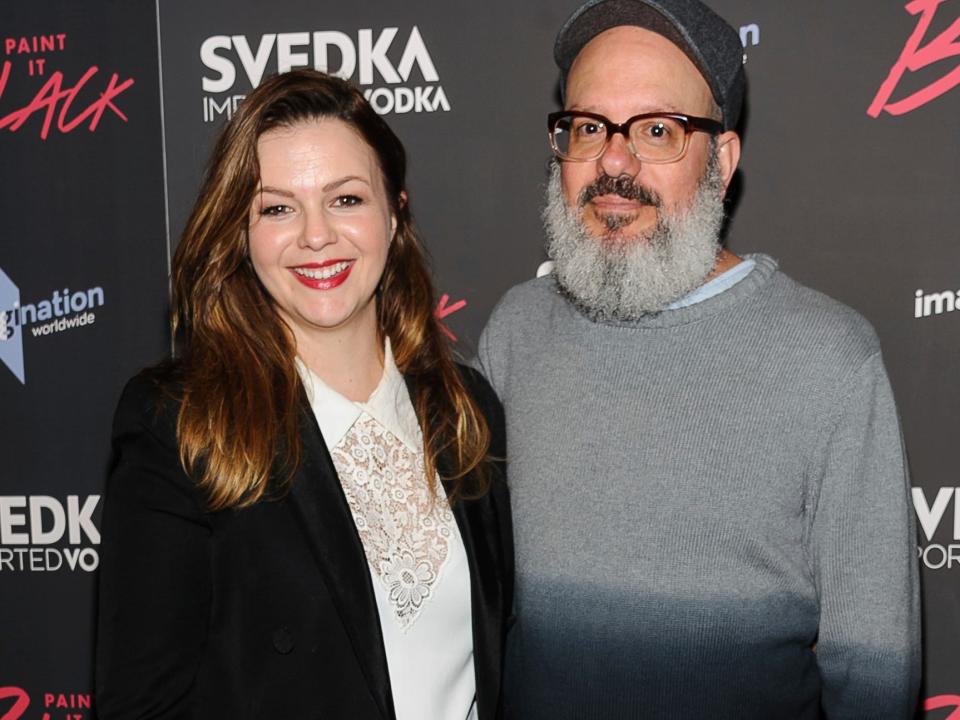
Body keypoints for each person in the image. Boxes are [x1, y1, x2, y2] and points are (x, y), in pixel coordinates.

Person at [478, 0, 920, 717]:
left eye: (658, 130)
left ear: (721, 160)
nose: (613, 162)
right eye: (589, 127)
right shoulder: (514, 333)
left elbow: (874, 673)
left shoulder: (828, 360)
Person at [96, 69, 512, 720]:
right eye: (278, 207)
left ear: (395, 212)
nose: (316, 235)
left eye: (346, 199)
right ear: (241, 232)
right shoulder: (180, 424)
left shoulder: (466, 411)